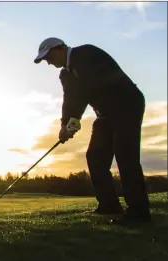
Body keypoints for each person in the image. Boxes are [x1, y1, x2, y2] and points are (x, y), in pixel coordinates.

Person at [34, 37, 150, 225]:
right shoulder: (65, 74)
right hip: (105, 114)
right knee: (95, 157)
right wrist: (64, 125)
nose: (48, 62)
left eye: (48, 56)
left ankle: (139, 212)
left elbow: (85, 91)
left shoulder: (87, 53)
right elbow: (69, 100)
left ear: (60, 48)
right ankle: (108, 205)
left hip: (127, 105)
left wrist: (73, 123)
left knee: (125, 156)